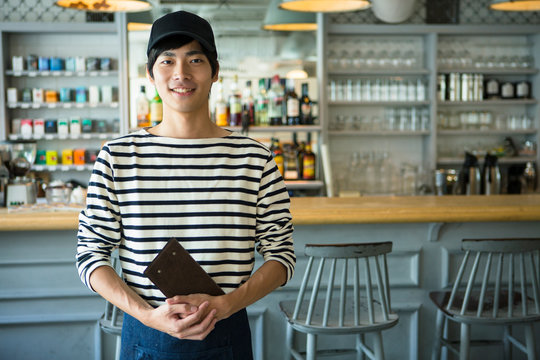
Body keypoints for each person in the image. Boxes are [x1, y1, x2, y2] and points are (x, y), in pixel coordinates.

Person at [76, 10, 295, 359]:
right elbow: (90, 254)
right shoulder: (117, 157)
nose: (181, 74)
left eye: (195, 59)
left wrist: (226, 304)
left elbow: (281, 254)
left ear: (215, 72)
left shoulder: (255, 159)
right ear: (151, 74)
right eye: (167, 61)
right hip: (145, 331)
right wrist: (148, 315)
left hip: (226, 333)